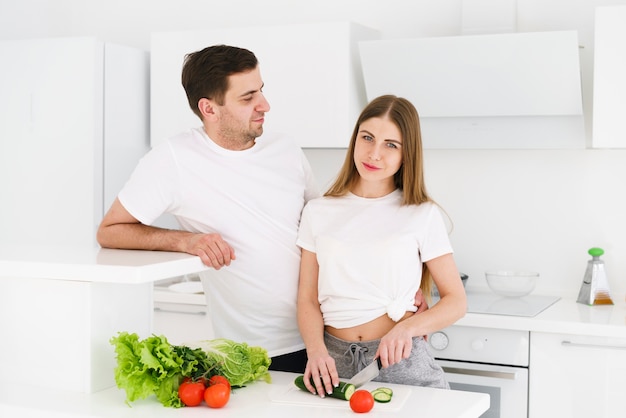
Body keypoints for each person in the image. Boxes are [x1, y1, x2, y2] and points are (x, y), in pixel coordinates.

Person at [97, 45, 428, 373]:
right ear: (209, 108)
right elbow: (110, 231)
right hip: (255, 351)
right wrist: (186, 241)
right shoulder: (173, 160)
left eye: (261, 90)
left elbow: (330, 231)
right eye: (247, 97)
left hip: (327, 343)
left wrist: (397, 292)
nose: (264, 105)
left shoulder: (284, 149)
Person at [296, 95, 467, 396]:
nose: (374, 153)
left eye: (391, 144)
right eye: (367, 138)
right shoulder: (318, 211)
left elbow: (456, 301)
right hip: (332, 366)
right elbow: (307, 298)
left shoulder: (421, 213)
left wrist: (407, 329)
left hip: (401, 360)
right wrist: (315, 351)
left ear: (406, 154)